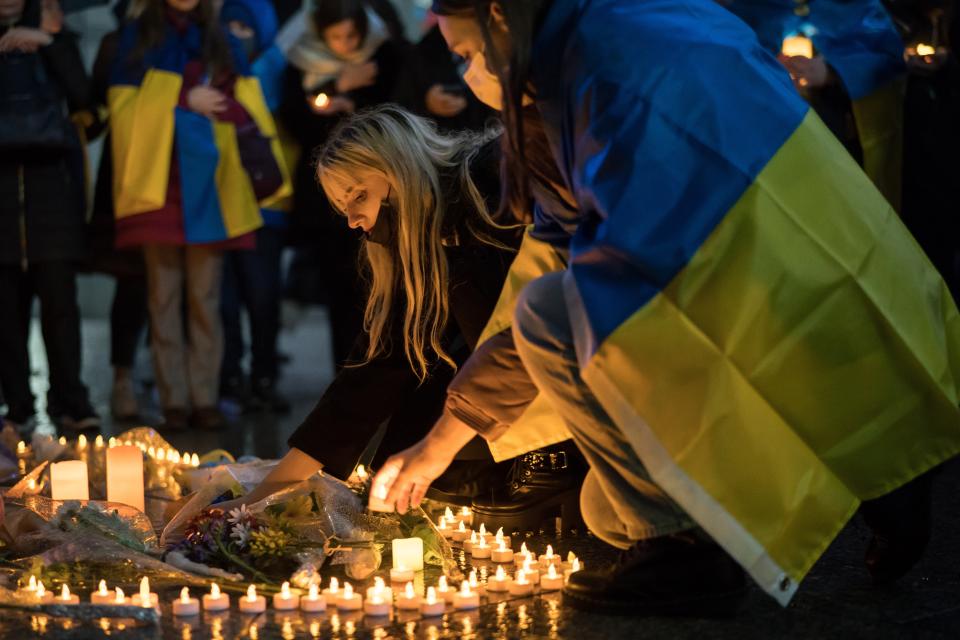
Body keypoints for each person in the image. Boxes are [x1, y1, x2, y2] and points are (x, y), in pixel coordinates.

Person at [369, 0, 960, 617]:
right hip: (782, 257)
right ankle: (877, 478)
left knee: (554, 321)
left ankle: (684, 549)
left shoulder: (600, 62)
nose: (467, 75)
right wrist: (443, 439)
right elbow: (563, 253)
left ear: (499, 18)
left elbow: (592, 277)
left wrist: (445, 436)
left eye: (466, 55)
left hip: (733, 263)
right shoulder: (585, 52)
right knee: (605, 513)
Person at [237, 105, 527, 508]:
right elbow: (379, 365)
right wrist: (263, 496)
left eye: (359, 196)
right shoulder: (418, 237)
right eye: (343, 209)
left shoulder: (489, 183)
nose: (354, 220)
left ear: (399, 165)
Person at [108, 0, 289, 431]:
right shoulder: (141, 34)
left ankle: (204, 398)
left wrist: (208, 102)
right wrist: (182, 97)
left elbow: (248, 102)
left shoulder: (220, 35)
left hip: (211, 182)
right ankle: (174, 400)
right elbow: (120, 104)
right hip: (160, 182)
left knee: (206, 301)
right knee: (163, 299)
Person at [278, 0, 406, 368]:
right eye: (336, 37)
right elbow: (294, 119)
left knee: (381, 287)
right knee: (339, 289)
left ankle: (381, 370)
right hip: (326, 200)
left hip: (380, 188)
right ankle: (346, 371)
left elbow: (394, 111)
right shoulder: (301, 60)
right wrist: (336, 86)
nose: (347, 45)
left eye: (353, 35)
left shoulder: (383, 55)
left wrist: (351, 102)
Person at [0, 0, 100, 432]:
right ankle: (18, 406)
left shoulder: (59, 40)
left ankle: (70, 400)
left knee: (61, 304)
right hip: (2, 198)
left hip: (52, 193)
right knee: (5, 309)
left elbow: (90, 112)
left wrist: (51, 42)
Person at [722, 0, 906, 209]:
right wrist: (767, 67)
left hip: (841, 132)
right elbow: (726, 56)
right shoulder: (748, 8)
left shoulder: (856, 6)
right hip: (771, 138)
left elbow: (887, 56)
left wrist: (831, 71)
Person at [217, 0, 292, 413]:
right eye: (227, 25)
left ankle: (264, 377)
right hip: (225, 200)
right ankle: (230, 379)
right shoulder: (216, 67)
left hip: (267, 203)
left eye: (244, 28)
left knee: (263, 298)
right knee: (226, 301)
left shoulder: (277, 67)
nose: (235, 34)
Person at [86, 0, 149, 422]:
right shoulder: (117, 42)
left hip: (182, 165)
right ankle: (124, 377)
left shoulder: (197, 31)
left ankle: (169, 378)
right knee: (134, 278)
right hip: (127, 169)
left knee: (183, 283)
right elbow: (93, 114)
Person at [393, 19, 495, 134]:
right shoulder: (428, 48)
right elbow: (401, 104)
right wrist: (426, 104)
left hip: (488, 131)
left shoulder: (495, 46)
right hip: (442, 135)